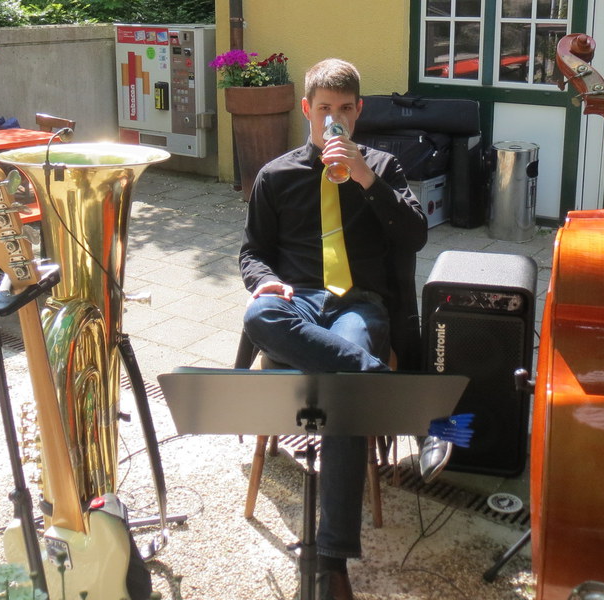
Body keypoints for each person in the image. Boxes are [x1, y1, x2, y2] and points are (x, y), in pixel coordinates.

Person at [239, 58, 449, 600]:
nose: (334, 119)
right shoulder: (276, 174)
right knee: (259, 315)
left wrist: (366, 179)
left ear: (359, 112)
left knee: (344, 391)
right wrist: (264, 281)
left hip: (359, 304)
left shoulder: (382, 166)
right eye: (324, 109)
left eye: (345, 109)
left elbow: (415, 236)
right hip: (299, 303)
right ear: (307, 110)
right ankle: (384, 383)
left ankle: (330, 563)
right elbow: (252, 252)